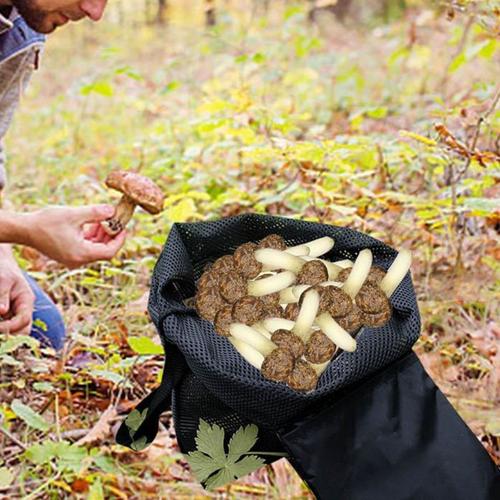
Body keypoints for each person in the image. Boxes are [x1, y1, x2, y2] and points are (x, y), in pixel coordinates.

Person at [0, 0, 120, 350]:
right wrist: (23, 230)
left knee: (42, 333)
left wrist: (3, 252)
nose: (94, 12)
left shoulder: (19, 28)